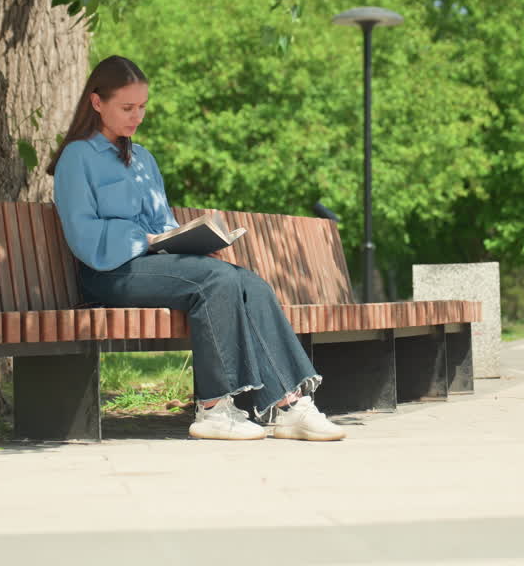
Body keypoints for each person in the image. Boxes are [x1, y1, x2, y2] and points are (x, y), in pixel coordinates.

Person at [48, 55, 345, 442]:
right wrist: (147, 241)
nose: (136, 116)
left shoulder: (142, 159)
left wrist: (184, 239)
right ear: (97, 102)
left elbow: (162, 223)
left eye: (142, 107)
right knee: (216, 281)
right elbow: (83, 235)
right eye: (127, 107)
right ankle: (214, 410)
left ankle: (288, 406)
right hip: (107, 274)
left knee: (248, 283)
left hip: (154, 268)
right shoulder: (77, 158)